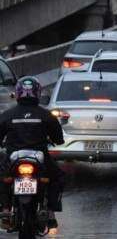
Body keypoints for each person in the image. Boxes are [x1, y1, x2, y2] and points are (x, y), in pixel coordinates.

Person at [0, 76, 65, 230]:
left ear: (17, 93)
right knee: (58, 177)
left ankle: (5, 208)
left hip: (13, 158)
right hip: (40, 158)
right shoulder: (46, 115)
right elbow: (59, 139)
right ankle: (50, 211)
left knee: (2, 178)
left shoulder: (7, 115)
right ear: (37, 92)